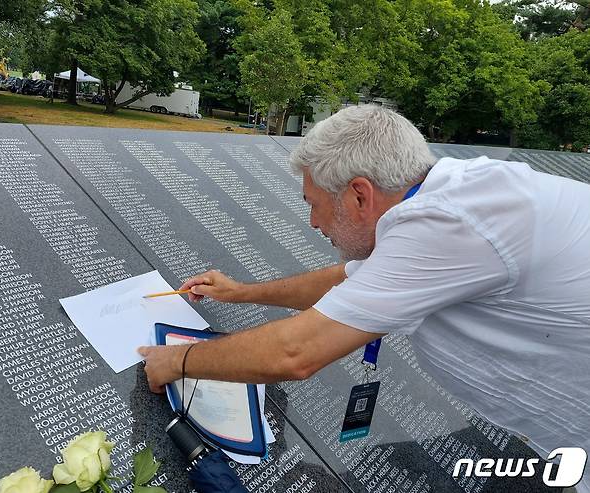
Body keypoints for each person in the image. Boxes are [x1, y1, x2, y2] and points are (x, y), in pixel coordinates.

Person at [138, 105, 590, 491]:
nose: (315, 223)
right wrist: (241, 293)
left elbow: (296, 353)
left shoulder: (449, 224)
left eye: (313, 203)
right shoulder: (451, 195)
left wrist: (177, 362)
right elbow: (346, 280)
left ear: (358, 195)